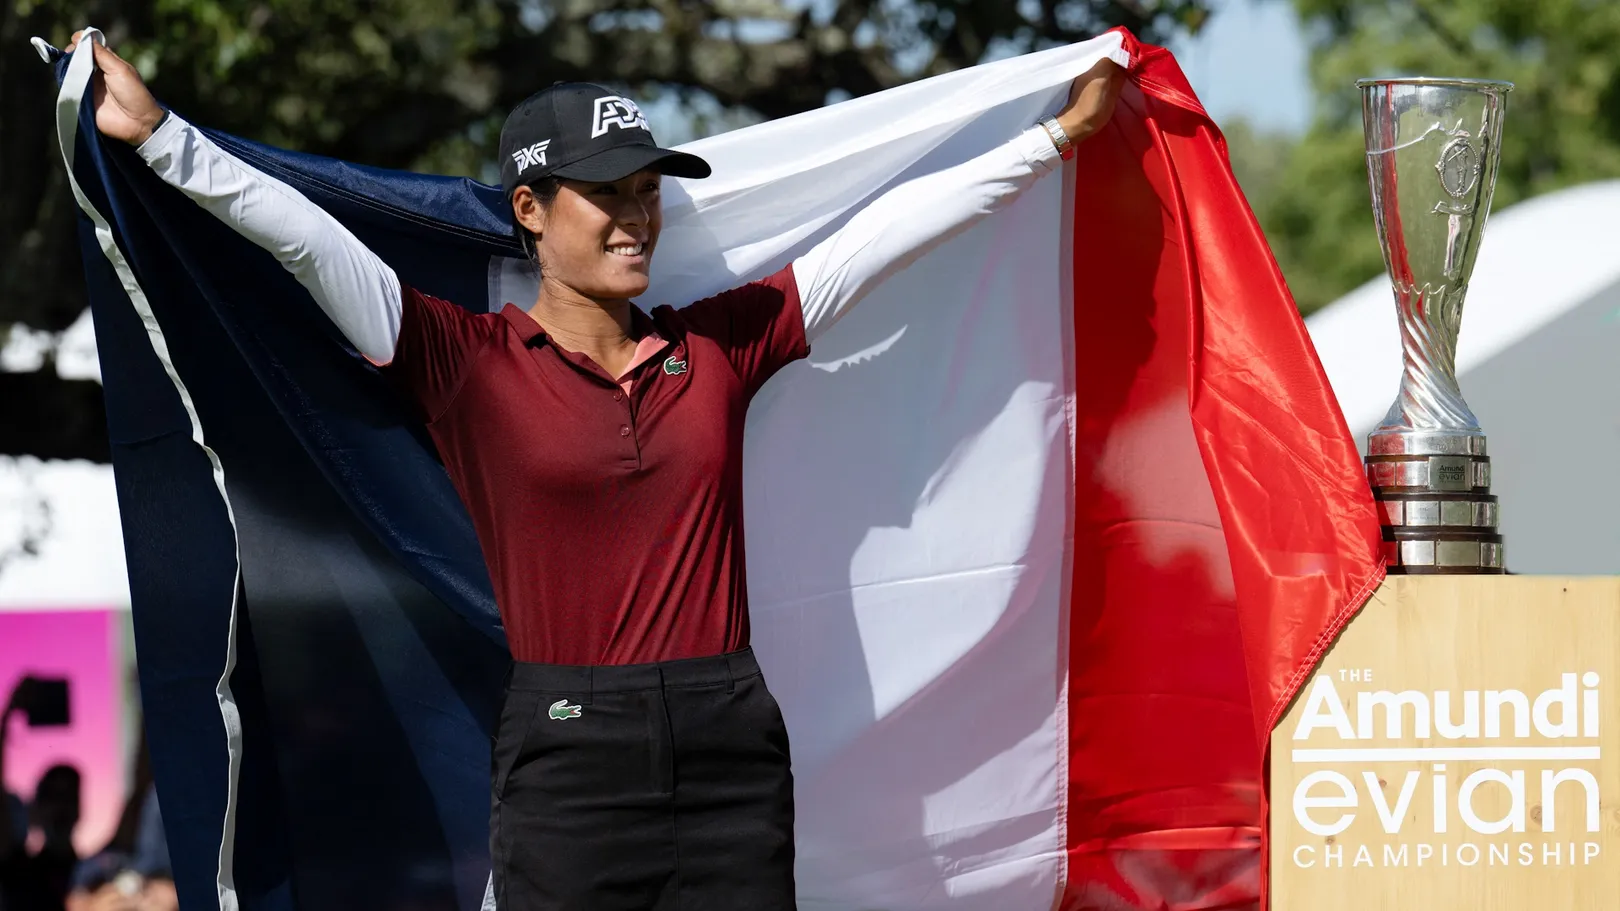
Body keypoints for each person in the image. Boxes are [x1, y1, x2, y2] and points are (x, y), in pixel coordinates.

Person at [64, 27, 1124, 911]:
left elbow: (880, 238)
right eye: (604, 193)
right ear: (529, 209)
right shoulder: (464, 359)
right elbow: (307, 240)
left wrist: (1050, 139)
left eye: (647, 190)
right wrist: (160, 137)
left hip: (732, 742)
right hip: (567, 755)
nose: (636, 216)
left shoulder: (723, 341)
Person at [1, 680, 81, 911]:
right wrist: (6, 718)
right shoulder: (18, 870)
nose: (61, 807)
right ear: (35, 809)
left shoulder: (98, 871)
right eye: (52, 796)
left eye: (68, 796)